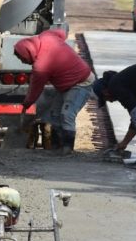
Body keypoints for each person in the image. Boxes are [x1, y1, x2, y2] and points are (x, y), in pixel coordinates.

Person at [12, 28, 96, 156]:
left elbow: (35, 89)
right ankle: (56, 147)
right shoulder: (46, 36)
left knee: (67, 114)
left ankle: (67, 149)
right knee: (54, 115)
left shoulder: (41, 66)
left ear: (27, 52)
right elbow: (61, 33)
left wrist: (27, 103)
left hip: (81, 83)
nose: (23, 62)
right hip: (65, 86)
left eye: (22, 59)